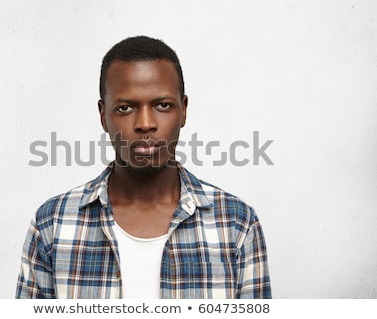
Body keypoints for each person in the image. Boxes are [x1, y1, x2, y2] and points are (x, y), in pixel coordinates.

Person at [16, 36, 272, 299]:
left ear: (183, 110)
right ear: (103, 116)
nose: (146, 123)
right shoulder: (52, 225)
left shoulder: (236, 224)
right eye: (125, 108)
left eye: (163, 105)